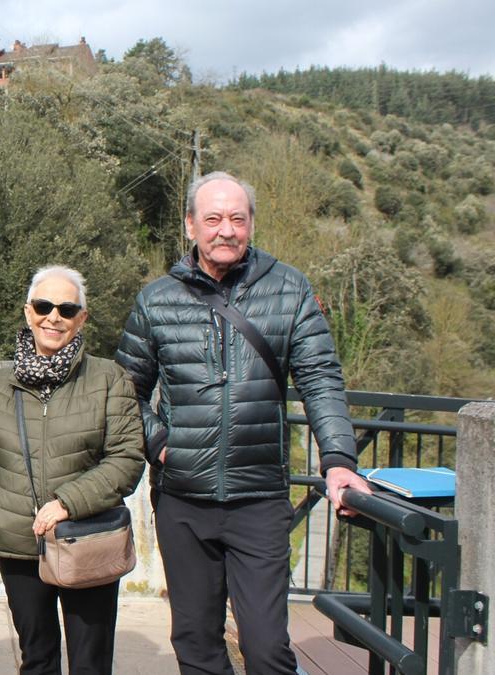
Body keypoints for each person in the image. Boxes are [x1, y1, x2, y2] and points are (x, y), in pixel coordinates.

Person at [114, 171, 372, 674]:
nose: (225, 230)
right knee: (196, 642)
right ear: (191, 225)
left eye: (237, 218)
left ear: (251, 224)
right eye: (212, 218)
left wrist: (339, 460)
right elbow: (126, 393)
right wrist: (160, 442)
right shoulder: (157, 300)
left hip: (259, 498)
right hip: (183, 498)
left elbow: (320, 379)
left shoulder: (289, 288)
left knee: (266, 647)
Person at [0, 265, 146, 675]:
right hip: (18, 544)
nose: (54, 317)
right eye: (45, 306)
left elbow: (126, 458)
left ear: (82, 318)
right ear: (28, 312)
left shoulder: (108, 379)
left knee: (90, 662)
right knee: (37, 660)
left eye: (67, 309)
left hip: (89, 537)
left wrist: (67, 503)